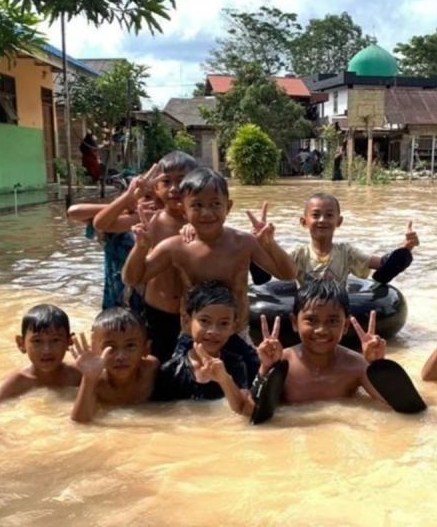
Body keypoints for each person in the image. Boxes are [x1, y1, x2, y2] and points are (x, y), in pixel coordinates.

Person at [122, 167, 296, 349]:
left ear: (228, 207)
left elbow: (287, 274)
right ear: (183, 209)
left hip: (236, 335)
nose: (206, 212)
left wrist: (270, 244)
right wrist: (140, 247)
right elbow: (132, 278)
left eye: (215, 204)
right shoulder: (176, 247)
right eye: (197, 205)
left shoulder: (244, 243)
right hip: (193, 339)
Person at [254, 279, 422, 410]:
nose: (321, 330)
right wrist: (265, 369)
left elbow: (396, 406)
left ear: (346, 325)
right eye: (311, 320)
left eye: (333, 321)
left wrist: (378, 366)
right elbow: (254, 412)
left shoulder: (356, 366)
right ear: (294, 323)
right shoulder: (282, 363)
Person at [95, 151, 198, 363]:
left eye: (182, 181)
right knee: (155, 371)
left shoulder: (204, 221)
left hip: (194, 315)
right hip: (156, 313)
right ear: (156, 189)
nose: (174, 188)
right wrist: (129, 197)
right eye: (166, 182)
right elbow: (101, 224)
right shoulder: (151, 219)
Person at [0, 304, 81, 435]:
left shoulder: (79, 374)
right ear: (21, 344)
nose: (47, 350)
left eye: (55, 340)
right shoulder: (17, 381)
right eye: (37, 341)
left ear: (70, 342)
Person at [152, 281, 258, 417]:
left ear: (233, 327)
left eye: (224, 323)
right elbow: (161, 416)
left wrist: (224, 379)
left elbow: (242, 411)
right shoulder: (171, 370)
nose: (213, 331)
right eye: (204, 321)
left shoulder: (235, 364)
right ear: (187, 321)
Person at [287, 192, 419, 287]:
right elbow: (275, 266)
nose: (322, 220)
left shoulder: (346, 252)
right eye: (316, 215)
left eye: (329, 215)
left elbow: (383, 263)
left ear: (339, 221)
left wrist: (406, 247)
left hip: (336, 314)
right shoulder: (299, 253)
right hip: (308, 314)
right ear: (304, 222)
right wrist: (266, 244)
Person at [67, 191, 160, 312]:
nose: (152, 203)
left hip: (150, 309)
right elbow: (74, 212)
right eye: (147, 197)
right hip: (115, 306)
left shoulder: (167, 227)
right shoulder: (114, 229)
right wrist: (127, 207)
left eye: (158, 199)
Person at [70, 307, 159, 423]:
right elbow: (80, 422)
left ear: (146, 348)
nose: (120, 357)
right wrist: (88, 379)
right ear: (94, 349)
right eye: (110, 347)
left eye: (130, 346)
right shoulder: (95, 380)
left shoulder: (151, 370)